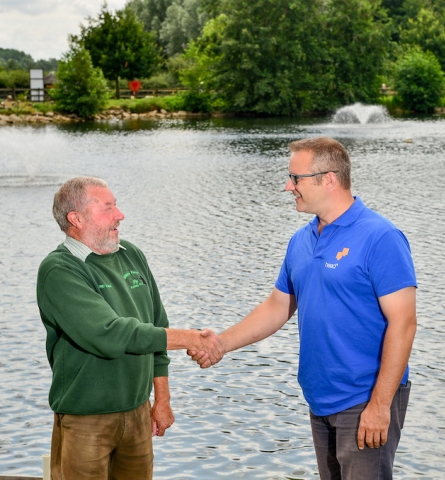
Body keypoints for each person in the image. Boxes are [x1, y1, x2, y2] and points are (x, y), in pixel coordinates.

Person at [190, 137, 417, 480]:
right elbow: (278, 306)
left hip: (365, 398)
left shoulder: (380, 236)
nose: (288, 187)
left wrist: (380, 405)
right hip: (320, 398)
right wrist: (221, 343)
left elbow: (404, 323)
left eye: (295, 178)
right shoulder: (302, 240)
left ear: (329, 179)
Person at [36, 176, 222, 480]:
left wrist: (162, 400)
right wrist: (190, 339)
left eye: (116, 206)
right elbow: (108, 334)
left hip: (138, 413)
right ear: (76, 219)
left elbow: (157, 328)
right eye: (108, 208)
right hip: (86, 420)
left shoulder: (131, 254)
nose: (119, 215)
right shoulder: (59, 269)